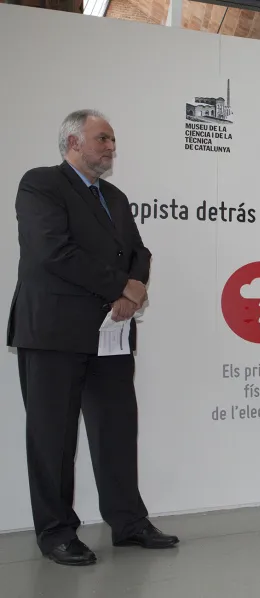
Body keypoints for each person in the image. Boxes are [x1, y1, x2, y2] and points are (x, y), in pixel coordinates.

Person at [7, 109, 179, 567]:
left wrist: (135, 289)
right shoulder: (40, 184)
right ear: (73, 141)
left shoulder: (115, 197)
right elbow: (52, 250)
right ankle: (56, 531)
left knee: (117, 430)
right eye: (102, 138)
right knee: (53, 437)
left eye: (113, 140)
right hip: (54, 332)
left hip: (111, 332)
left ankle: (128, 522)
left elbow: (138, 251)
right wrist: (119, 287)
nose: (111, 147)